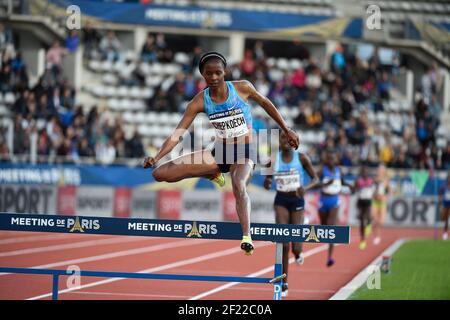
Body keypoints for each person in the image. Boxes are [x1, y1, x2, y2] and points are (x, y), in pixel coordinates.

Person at [143, 52, 299, 255]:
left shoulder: (242, 87)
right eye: (209, 74)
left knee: (238, 183)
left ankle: (246, 237)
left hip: (244, 151)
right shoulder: (199, 101)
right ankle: (212, 173)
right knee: (160, 174)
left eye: (218, 72)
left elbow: (266, 104)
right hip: (220, 152)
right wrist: (156, 157)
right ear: (203, 75)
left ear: (224, 71)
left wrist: (286, 129)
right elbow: (177, 135)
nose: (214, 77)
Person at [263, 131, 319, 297]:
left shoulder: (301, 158)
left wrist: (305, 188)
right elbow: (267, 180)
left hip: (297, 200)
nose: (286, 141)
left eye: (289, 138)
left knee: (295, 246)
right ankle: (284, 282)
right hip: (281, 200)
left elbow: (315, 179)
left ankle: (299, 251)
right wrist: (267, 181)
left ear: (294, 141)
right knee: (284, 243)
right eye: (282, 138)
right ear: (279, 141)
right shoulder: (273, 158)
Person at [318, 149, 353, 267]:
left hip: (334, 201)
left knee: (331, 226)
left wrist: (350, 186)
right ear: (327, 160)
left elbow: (342, 182)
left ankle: (330, 257)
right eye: (329, 159)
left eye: (333, 159)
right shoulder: (322, 170)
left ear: (336, 160)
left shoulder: (339, 171)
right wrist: (325, 184)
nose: (332, 161)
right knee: (323, 227)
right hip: (323, 201)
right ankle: (326, 239)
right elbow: (315, 183)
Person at [354, 165, 375, 250]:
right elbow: (354, 189)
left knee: (368, 216)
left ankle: (369, 224)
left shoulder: (371, 180)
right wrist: (356, 188)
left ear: (368, 173)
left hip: (368, 201)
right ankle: (362, 240)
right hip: (361, 201)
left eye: (366, 172)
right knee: (362, 220)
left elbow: (375, 189)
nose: (364, 173)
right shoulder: (358, 181)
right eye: (363, 172)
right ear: (361, 173)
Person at [372, 164, 390, 245]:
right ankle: (376, 236)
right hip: (375, 201)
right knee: (374, 218)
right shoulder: (375, 179)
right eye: (379, 170)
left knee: (381, 222)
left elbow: (389, 190)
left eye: (381, 170)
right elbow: (372, 189)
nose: (379, 171)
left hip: (382, 202)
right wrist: (374, 195)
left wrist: (386, 196)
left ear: (384, 171)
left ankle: (377, 234)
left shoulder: (386, 180)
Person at [439, 173, 450, 240]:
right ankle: (445, 233)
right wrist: (440, 202)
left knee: (448, 218)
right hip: (445, 204)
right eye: (449, 178)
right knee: (444, 219)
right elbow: (440, 195)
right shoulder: (444, 187)